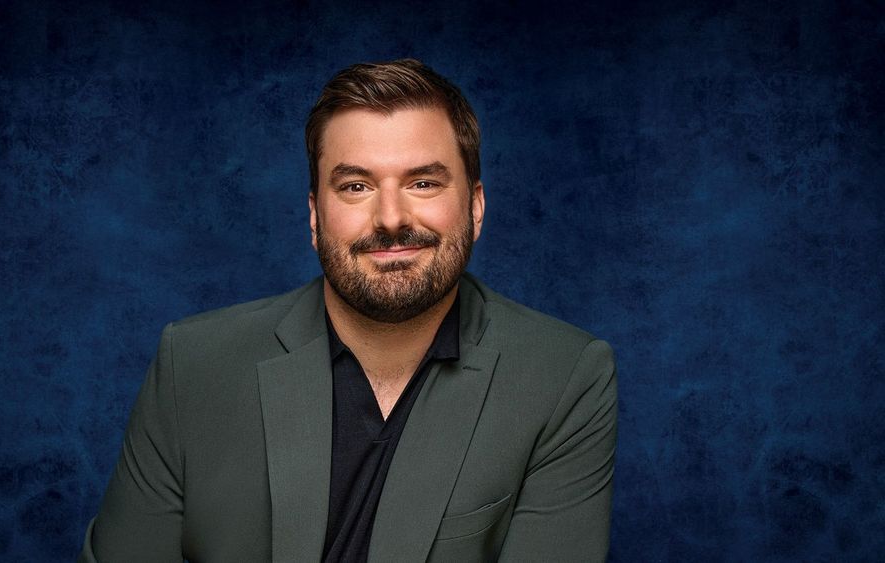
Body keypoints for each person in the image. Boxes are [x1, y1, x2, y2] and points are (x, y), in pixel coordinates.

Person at [79, 58, 617, 563]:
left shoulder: (564, 377)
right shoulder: (192, 365)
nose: (391, 217)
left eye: (423, 182)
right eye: (356, 186)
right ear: (315, 216)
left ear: (475, 206)